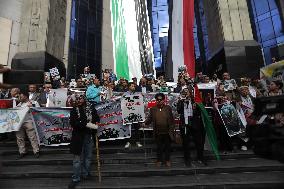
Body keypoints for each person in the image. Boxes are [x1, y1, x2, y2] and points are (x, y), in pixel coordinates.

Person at [68, 95, 100, 189]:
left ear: (84, 99)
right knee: (77, 159)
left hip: (89, 136)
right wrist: (85, 124)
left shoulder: (91, 108)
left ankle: (86, 174)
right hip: (78, 137)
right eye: (77, 99)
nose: (78, 100)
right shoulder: (74, 110)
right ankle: (76, 178)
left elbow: (96, 117)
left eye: (80, 98)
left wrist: (97, 121)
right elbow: (73, 123)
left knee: (88, 157)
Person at [145, 93, 174, 167]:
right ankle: (159, 160)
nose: (159, 101)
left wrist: (172, 129)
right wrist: (145, 123)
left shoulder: (168, 108)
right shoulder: (153, 109)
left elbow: (171, 120)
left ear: (164, 100)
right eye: (157, 100)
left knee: (167, 147)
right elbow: (150, 119)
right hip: (158, 132)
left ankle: (167, 160)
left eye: (160, 99)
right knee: (159, 147)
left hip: (167, 131)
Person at [16, 90, 40, 159]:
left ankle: (36, 151)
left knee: (32, 137)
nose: (20, 97)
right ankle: (22, 151)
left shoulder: (34, 102)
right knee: (19, 138)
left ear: (25, 96)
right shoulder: (19, 104)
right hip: (19, 123)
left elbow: (38, 111)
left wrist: (32, 107)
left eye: (21, 95)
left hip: (29, 122)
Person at [177, 88, 194, 167]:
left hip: (192, 123)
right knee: (185, 140)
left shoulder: (193, 101)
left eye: (187, 92)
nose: (186, 94)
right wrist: (182, 102)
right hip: (184, 123)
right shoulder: (181, 101)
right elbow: (178, 111)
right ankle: (187, 158)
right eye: (184, 92)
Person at [124, 82, 143, 148]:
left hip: (135, 114)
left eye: (134, 86)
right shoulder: (125, 94)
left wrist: (142, 96)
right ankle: (128, 142)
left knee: (136, 128)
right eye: (132, 86)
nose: (134, 87)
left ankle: (137, 141)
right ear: (129, 87)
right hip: (128, 114)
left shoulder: (137, 94)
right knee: (128, 128)